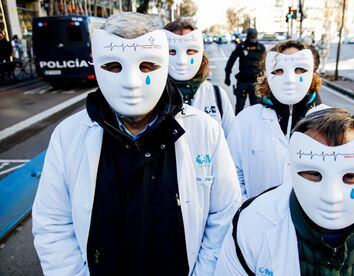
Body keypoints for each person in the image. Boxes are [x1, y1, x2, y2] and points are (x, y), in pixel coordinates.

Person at [32, 12, 241, 276]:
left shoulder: (205, 131)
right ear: (96, 64)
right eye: (114, 67)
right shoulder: (68, 136)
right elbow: (52, 224)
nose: (131, 83)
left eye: (147, 66)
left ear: (164, 64)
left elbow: (224, 215)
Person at [216, 108, 354, 275]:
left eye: (351, 176)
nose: (332, 197)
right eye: (313, 174)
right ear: (291, 169)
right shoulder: (250, 226)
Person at [227, 40, 328, 200]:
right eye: (279, 70)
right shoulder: (246, 120)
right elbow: (231, 175)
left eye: (300, 69)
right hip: (258, 219)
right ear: (266, 74)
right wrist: (246, 210)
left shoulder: (330, 122)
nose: (289, 79)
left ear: (312, 73)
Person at [164, 19, 235, 136]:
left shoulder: (217, 96)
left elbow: (232, 143)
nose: (182, 61)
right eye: (172, 51)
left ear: (201, 53)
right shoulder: (151, 98)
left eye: (190, 51)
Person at [225, 28, 265, 114]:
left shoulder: (261, 48)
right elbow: (231, 61)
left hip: (255, 82)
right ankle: (237, 126)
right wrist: (227, 76)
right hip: (243, 81)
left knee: (256, 109)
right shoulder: (241, 47)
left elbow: (265, 64)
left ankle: (255, 127)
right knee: (239, 108)